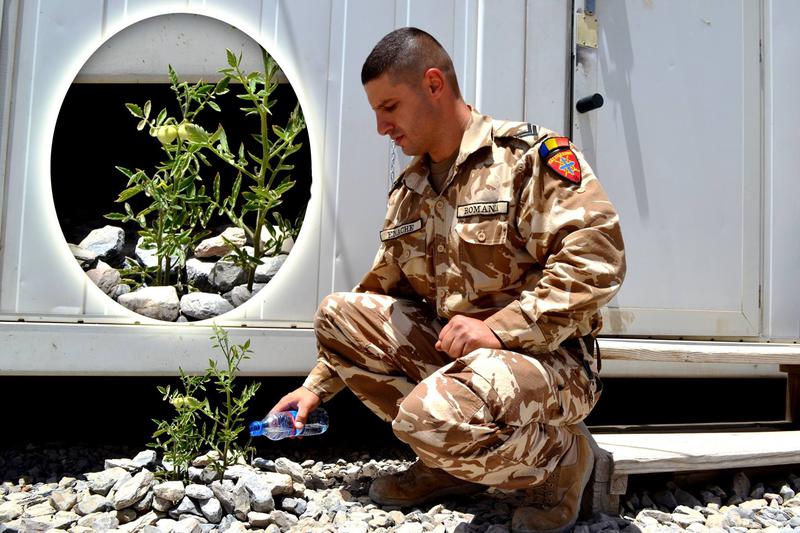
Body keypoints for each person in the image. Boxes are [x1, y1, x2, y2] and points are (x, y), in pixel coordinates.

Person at [270, 27, 626, 532]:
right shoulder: (412, 189)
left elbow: (599, 259)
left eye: (389, 107)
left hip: (550, 361)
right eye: (376, 111)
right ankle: (449, 461)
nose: (381, 127)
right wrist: (316, 388)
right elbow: (381, 293)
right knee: (338, 315)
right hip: (462, 362)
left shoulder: (525, 158)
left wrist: (503, 327)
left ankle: (559, 463)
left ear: (433, 83)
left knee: (428, 418)